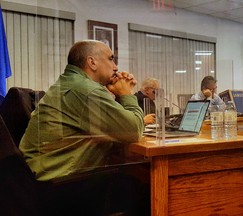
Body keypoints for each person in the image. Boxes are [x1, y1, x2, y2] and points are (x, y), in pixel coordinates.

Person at [19, 40, 149, 215]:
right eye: (111, 59)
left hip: (42, 182)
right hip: (63, 188)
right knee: (148, 189)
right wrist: (126, 94)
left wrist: (117, 96)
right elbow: (133, 130)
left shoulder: (71, 84)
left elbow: (112, 126)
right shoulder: (86, 90)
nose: (116, 67)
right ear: (92, 62)